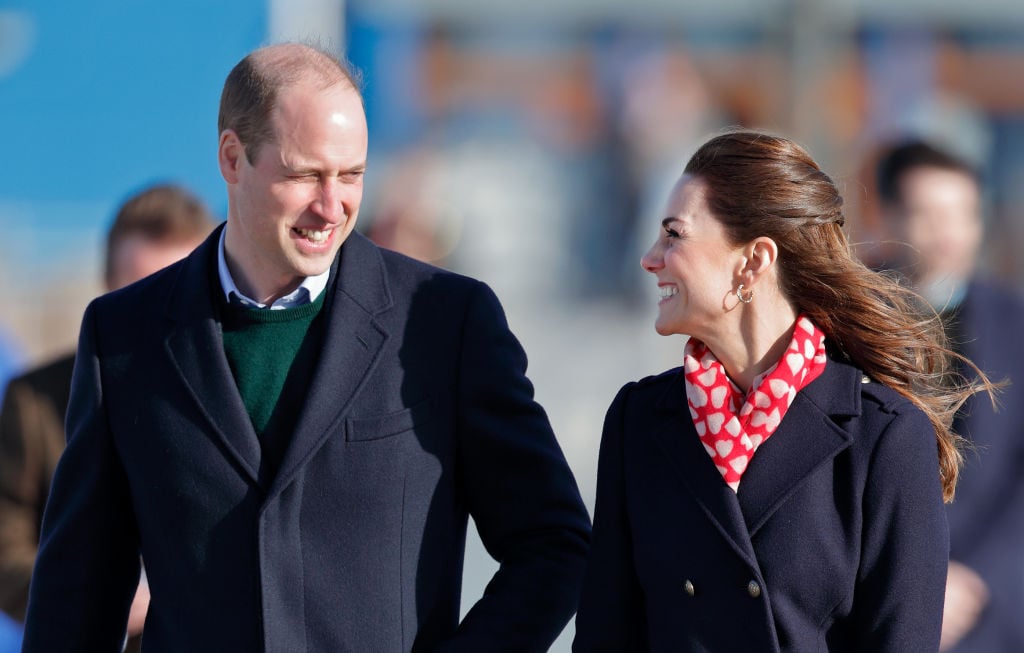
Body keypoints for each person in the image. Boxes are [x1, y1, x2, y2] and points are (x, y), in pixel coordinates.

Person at [23, 43, 590, 652]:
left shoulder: (446, 324)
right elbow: (75, 599)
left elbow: (554, 545)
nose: (332, 205)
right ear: (232, 159)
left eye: (352, 175)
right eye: (305, 175)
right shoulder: (123, 337)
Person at [573, 130, 994, 652]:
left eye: (674, 235)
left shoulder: (883, 435)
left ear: (752, 263)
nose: (651, 258)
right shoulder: (641, 418)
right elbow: (604, 635)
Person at [0, 184, 214, 650]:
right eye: (138, 291)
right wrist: (104, 598)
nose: (157, 315)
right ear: (105, 288)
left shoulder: (231, 402)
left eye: (173, 293)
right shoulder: (35, 400)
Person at [875, 140, 1024, 653]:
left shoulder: (1016, 324)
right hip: (874, 596)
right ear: (891, 216)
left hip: (989, 606)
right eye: (929, 214)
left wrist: (975, 579)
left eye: (962, 214)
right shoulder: (844, 323)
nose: (948, 234)